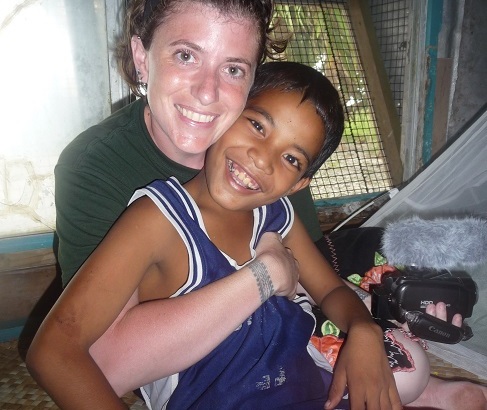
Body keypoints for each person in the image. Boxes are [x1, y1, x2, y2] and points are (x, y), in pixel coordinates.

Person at [28, 61, 405, 410]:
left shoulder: (278, 217)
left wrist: (364, 330)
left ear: (299, 184)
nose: (262, 158)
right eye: (257, 125)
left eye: (291, 159)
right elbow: (52, 351)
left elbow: (332, 290)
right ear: (222, 116)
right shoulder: (157, 218)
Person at [54, 0, 321, 289]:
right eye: (185, 55)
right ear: (142, 59)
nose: (207, 93)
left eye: (233, 70)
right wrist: (261, 278)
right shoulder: (92, 169)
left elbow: (314, 278)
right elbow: (90, 329)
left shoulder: (270, 154)